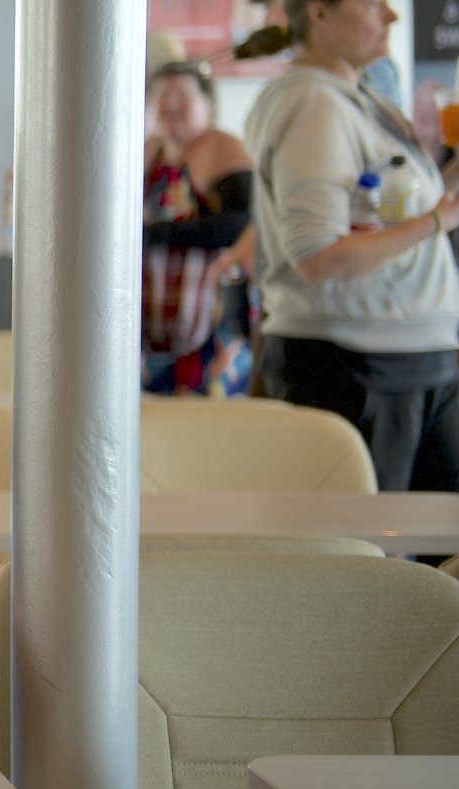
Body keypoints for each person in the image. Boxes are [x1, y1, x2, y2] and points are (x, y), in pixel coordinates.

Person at [241, 0, 459, 491]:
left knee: (438, 551)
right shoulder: (313, 103)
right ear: (319, 13)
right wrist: (436, 221)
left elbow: (390, 212)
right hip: (358, 362)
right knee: (361, 556)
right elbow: (318, 257)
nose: (392, 16)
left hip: (409, 355)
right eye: (372, 3)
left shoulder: (353, 97)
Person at [142, 60, 256, 396]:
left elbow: (244, 225)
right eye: (161, 94)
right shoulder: (149, 151)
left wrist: (159, 233)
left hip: (212, 329)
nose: (169, 102)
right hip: (151, 340)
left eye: (181, 93)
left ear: (208, 104)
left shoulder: (224, 148)